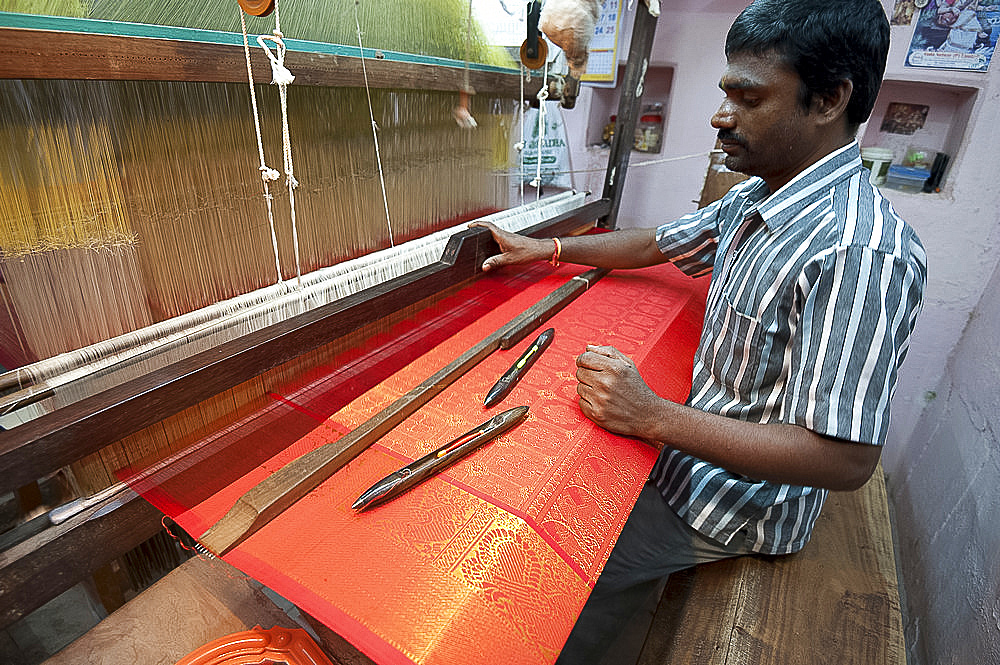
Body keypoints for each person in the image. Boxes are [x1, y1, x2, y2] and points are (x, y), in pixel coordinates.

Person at [471, 0, 927, 662]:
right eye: (726, 92)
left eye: (747, 97)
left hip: (734, 505)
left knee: (551, 560)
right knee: (541, 478)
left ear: (829, 99)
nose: (720, 116)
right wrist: (546, 252)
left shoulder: (860, 250)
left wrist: (653, 415)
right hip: (690, 449)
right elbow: (656, 243)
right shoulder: (758, 196)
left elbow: (845, 458)